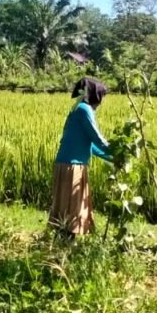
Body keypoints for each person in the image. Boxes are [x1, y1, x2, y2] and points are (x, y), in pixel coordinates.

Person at [49, 77, 112, 236]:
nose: (102, 100)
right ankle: (65, 244)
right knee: (73, 209)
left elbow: (90, 145)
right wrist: (117, 150)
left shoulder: (78, 108)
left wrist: (112, 157)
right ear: (95, 95)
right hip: (73, 166)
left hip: (68, 164)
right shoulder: (84, 109)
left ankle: (61, 242)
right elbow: (96, 137)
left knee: (66, 207)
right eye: (102, 96)